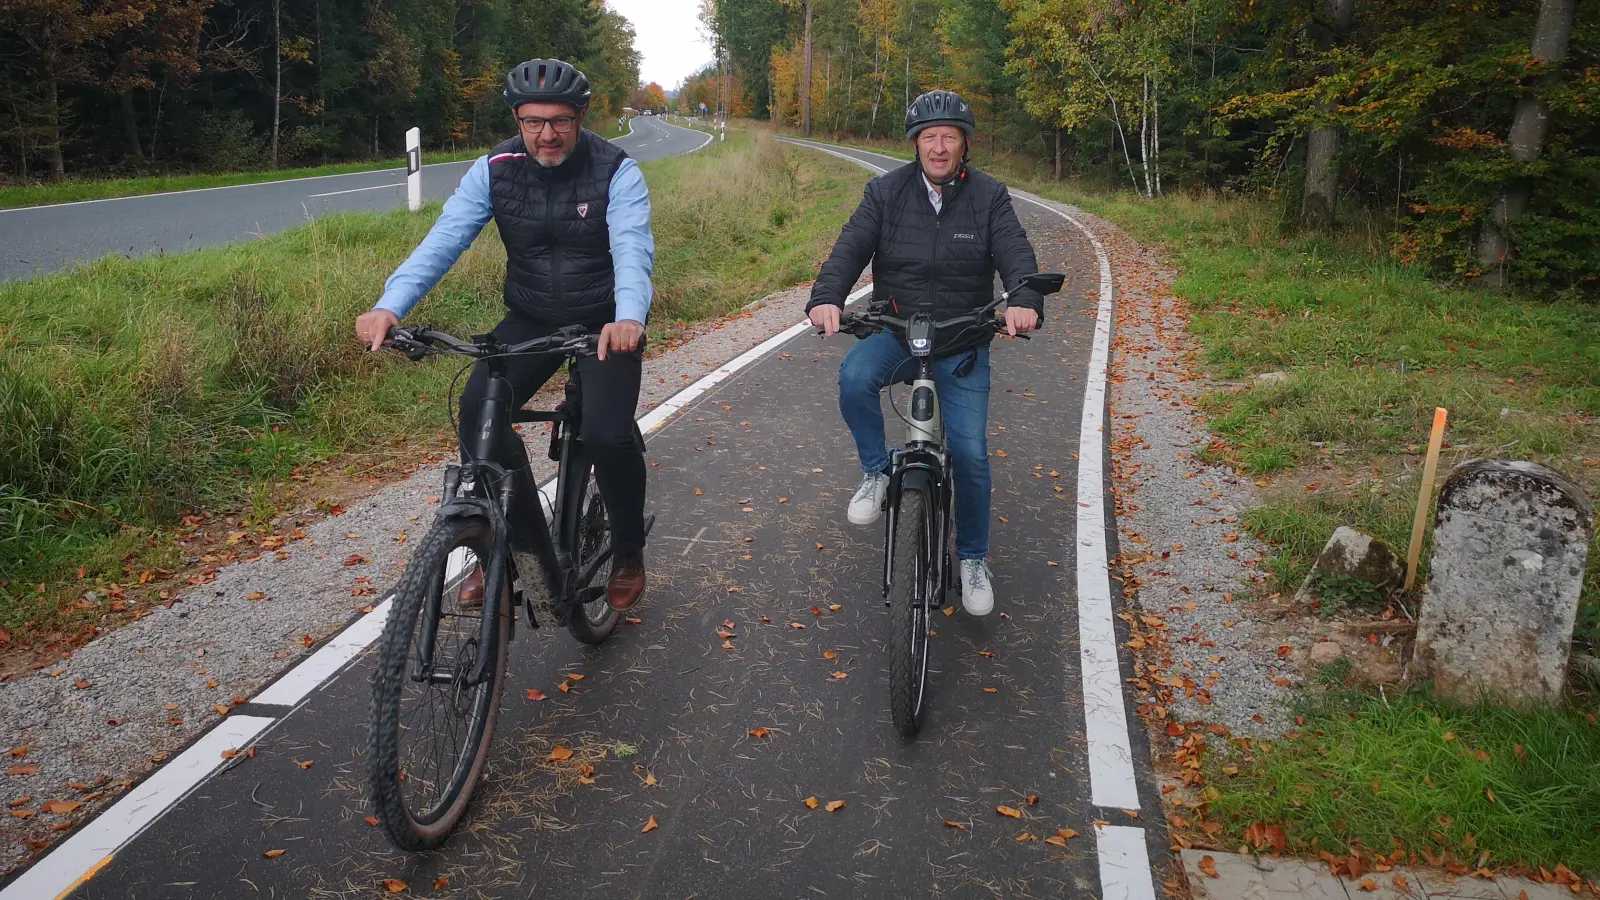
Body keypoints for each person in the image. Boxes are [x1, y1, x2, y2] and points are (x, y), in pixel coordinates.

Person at [354, 58, 653, 611]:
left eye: (561, 120)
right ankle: (511, 544)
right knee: (478, 412)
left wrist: (629, 316)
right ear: (517, 119)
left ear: (582, 117)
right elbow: (446, 239)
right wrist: (388, 305)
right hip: (532, 316)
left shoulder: (616, 170)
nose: (547, 134)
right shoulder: (495, 168)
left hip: (604, 322)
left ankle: (628, 550)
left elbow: (632, 247)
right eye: (533, 121)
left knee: (608, 434)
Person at [806, 89, 1043, 617]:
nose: (939, 147)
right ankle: (876, 472)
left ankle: (973, 558)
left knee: (972, 455)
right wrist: (827, 298)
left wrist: (1024, 299)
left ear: (964, 145)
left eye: (949, 138)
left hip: (961, 340)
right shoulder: (885, 194)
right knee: (853, 379)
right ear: (916, 144)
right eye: (929, 137)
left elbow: (1016, 255)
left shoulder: (989, 196)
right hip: (897, 330)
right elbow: (850, 247)